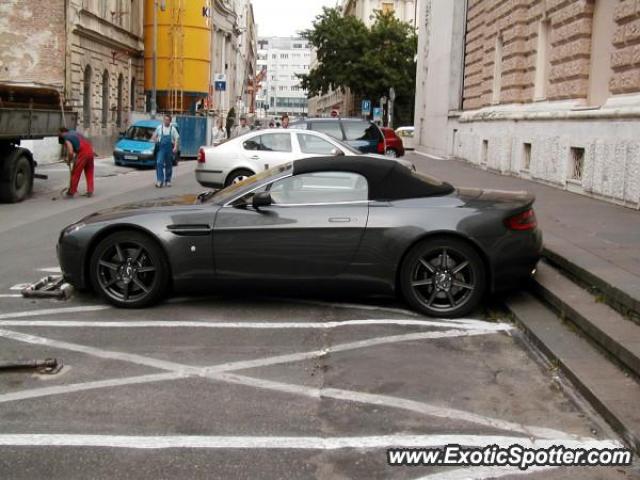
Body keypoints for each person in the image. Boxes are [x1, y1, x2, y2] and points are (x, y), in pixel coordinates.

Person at [58, 128, 94, 198]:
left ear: (62, 133)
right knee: (89, 171)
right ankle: (90, 190)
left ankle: (71, 192)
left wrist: (69, 160)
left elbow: (71, 152)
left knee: (75, 172)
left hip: (83, 153)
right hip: (90, 150)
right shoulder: (74, 132)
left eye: (59, 133)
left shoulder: (66, 138)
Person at [151, 114, 179, 188]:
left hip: (169, 149)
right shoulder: (159, 128)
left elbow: (176, 138)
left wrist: (175, 147)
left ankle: (168, 180)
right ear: (163, 120)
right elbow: (154, 136)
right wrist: (156, 140)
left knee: (168, 164)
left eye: (168, 120)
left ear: (170, 121)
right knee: (159, 163)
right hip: (161, 149)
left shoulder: (172, 129)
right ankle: (160, 181)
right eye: (165, 120)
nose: (166, 121)